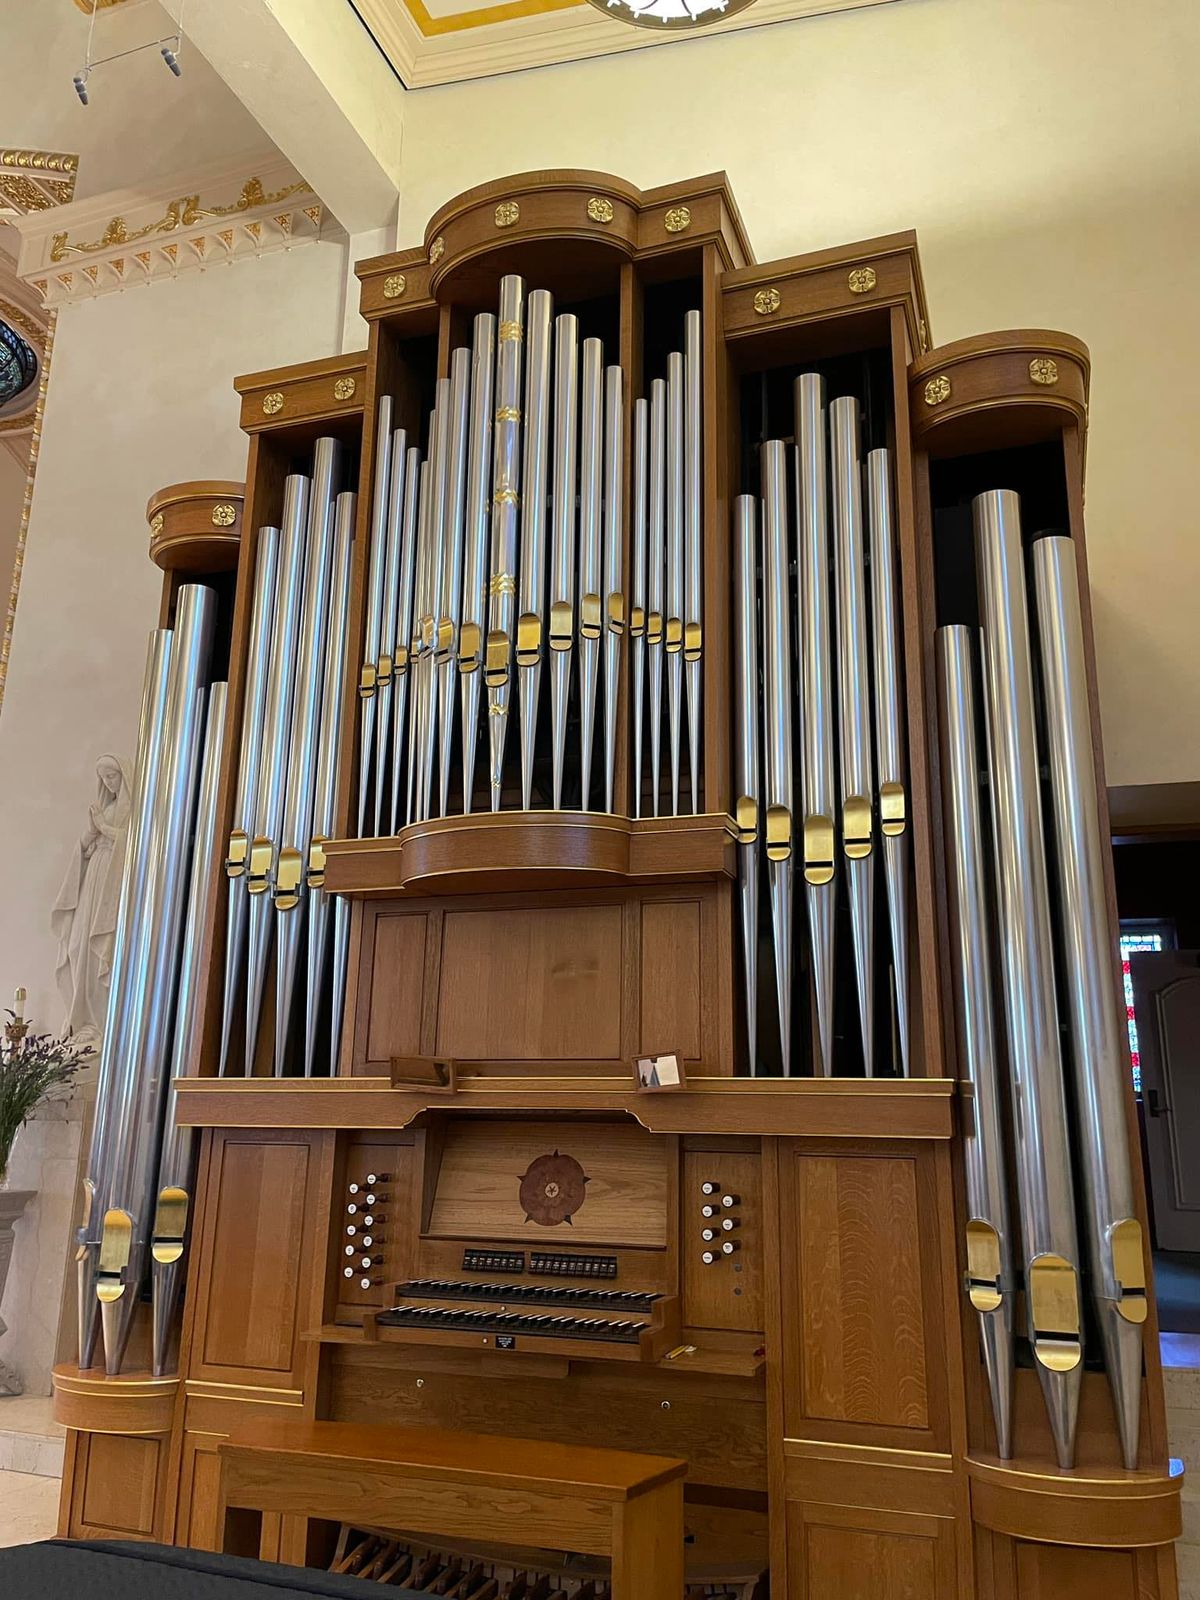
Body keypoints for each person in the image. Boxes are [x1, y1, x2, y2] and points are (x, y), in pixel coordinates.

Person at [50, 754, 132, 1049]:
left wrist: (103, 826)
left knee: (100, 948)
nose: (109, 783)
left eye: (113, 776)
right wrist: (89, 833)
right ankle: (80, 1019)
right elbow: (88, 845)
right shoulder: (107, 805)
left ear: (124, 776)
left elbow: (130, 842)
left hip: (111, 878)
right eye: (105, 778)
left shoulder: (129, 808)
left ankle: (97, 1022)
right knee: (76, 945)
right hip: (94, 874)